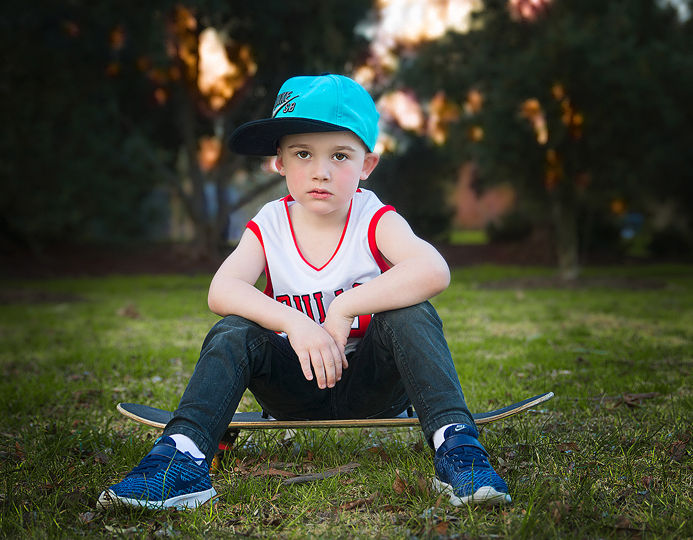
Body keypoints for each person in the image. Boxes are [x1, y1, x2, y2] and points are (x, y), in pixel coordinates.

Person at [98, 74, 510, 510]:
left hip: (372, 387)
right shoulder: (271, 224)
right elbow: (222, 289)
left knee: (411, 312)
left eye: (340, 155)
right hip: (293, 388)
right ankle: (181, 458)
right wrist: (295, 323)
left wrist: (345, 306)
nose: (321, 171)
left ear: (366, 165)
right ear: (279, 162)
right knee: (233, 330)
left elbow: (434, 269)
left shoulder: (373, 217)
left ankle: (457, 448)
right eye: (302, 153)